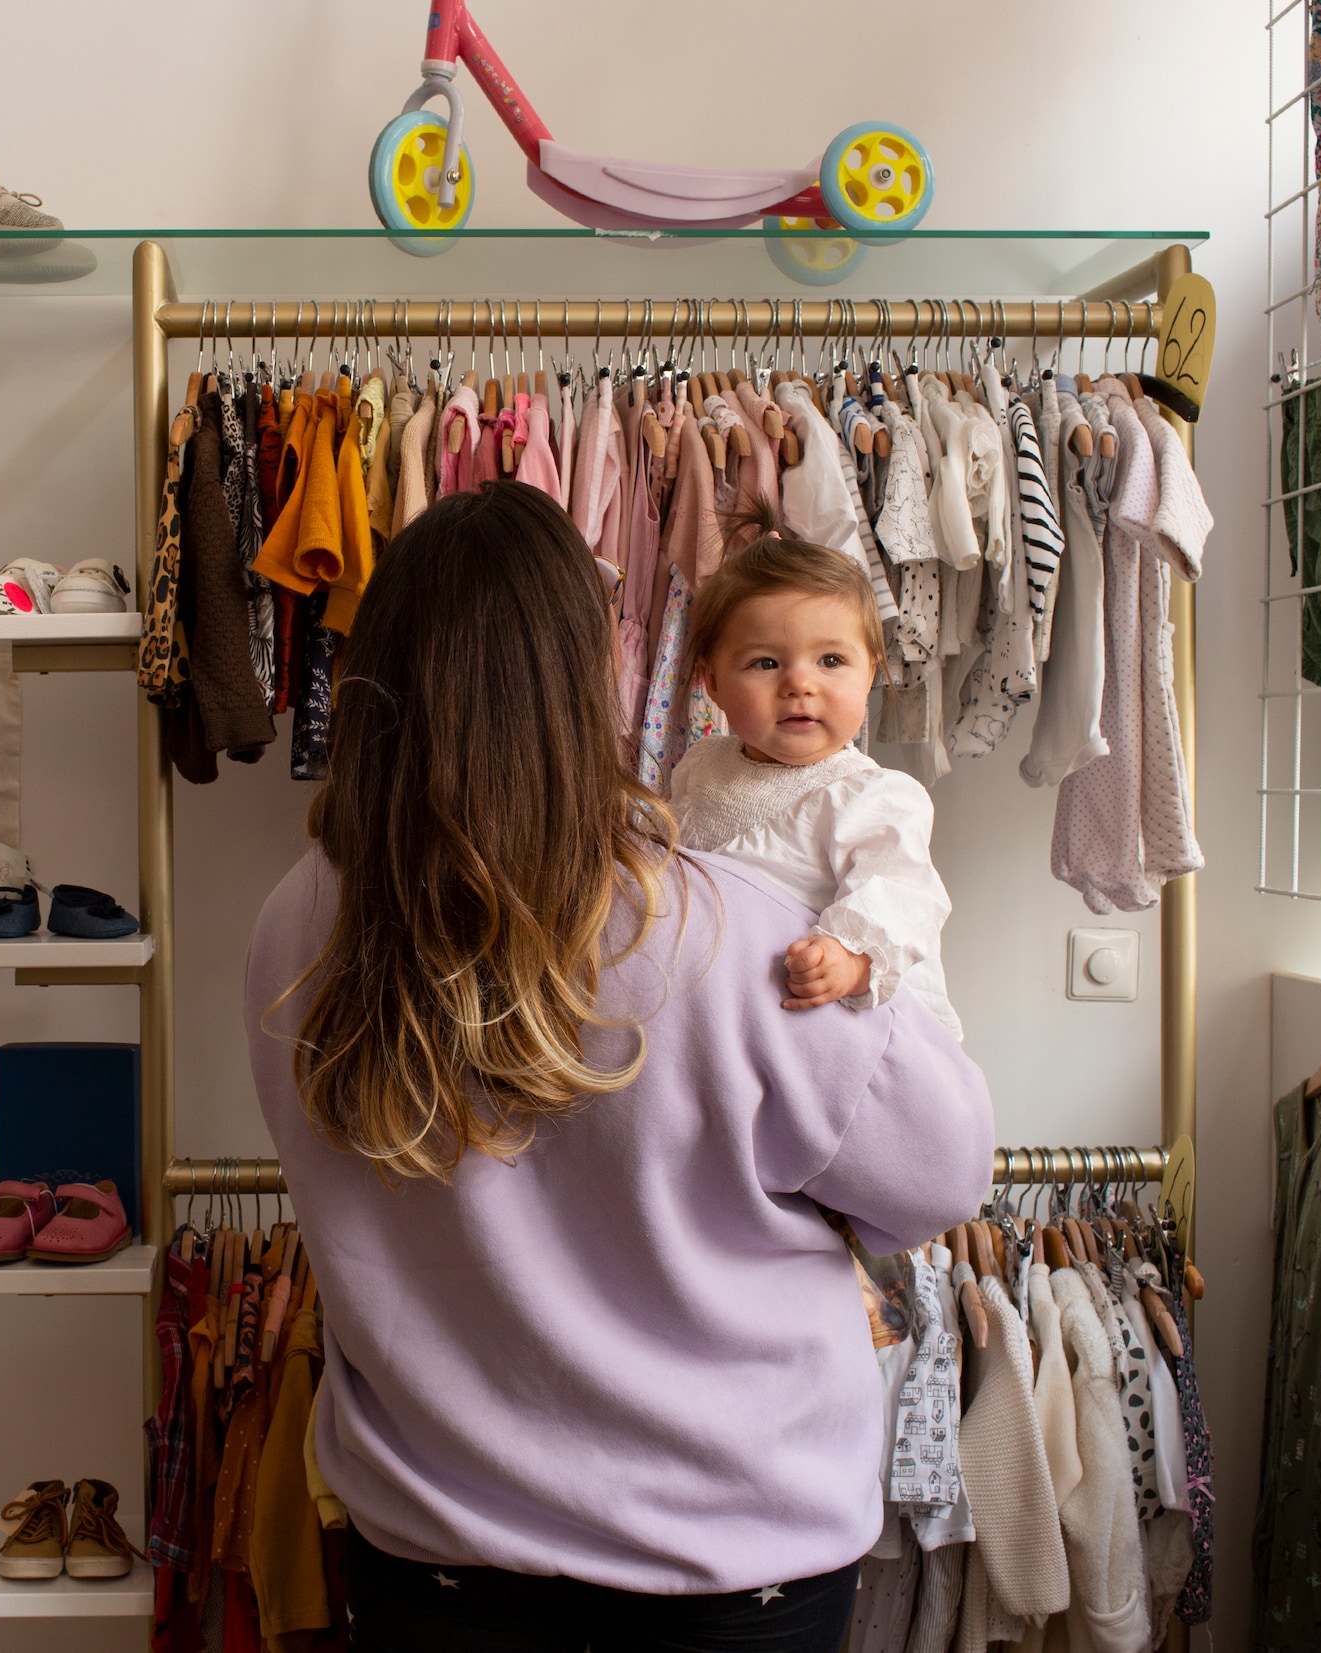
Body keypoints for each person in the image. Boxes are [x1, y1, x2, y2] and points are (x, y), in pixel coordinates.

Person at [245, 481, 994, 1653]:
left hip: (431, 1558)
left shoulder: (296, 924)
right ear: (586, 677)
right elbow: (941, 1174)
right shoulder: (725, 933)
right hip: (723, 1560)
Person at [667, 506, 963, 1039]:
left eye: (830, 661)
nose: (799, 684)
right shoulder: (702, 764)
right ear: (712, 683)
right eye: (765, 663)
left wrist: (848, 956)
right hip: (729, 1013)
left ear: (870, 670)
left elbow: (902, 896)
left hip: (835, 1018)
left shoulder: (873, 797)